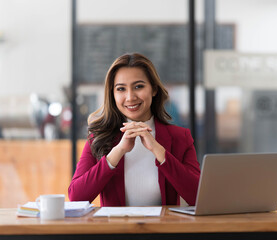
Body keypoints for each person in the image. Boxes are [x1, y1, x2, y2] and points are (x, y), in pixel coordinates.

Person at [68, 53, 200, 206]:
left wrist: (159, 151)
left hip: (163, 229)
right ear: (113, 94)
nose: (130, 97)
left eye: (139, 86)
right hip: (117, 229)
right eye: (121, 89)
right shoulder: (98, 137)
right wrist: (117, 152)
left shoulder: (180, 137)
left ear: (154, 89)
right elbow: (76, 197)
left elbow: (197, 196)